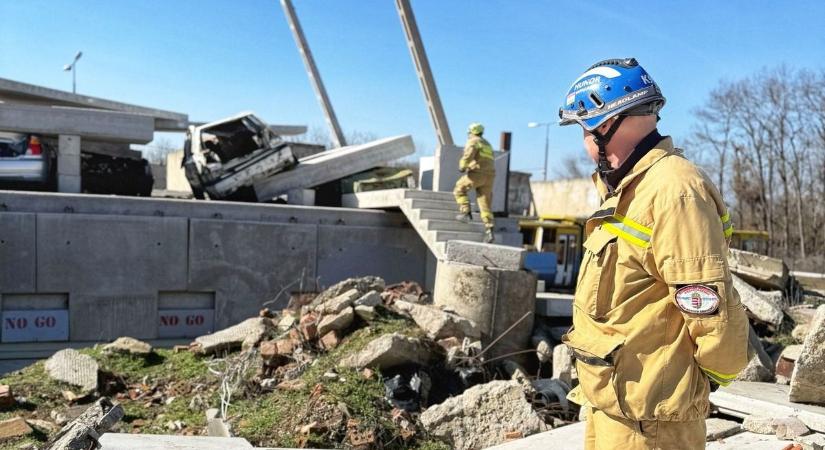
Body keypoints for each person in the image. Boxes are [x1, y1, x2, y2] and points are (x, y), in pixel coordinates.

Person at [557, 58, 749, 449]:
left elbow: (708, 306)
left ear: (606, 125)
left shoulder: (675, 191)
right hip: (614, 401)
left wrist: (707, 379)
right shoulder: (631, 189)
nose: (584, 143)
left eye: (584, 130)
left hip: (652, 421)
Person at [453, 122, 495, 243]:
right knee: (484, 203)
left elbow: (468, 155)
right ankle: (489, 230)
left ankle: (466, 213)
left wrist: (462, 166)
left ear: (472, 132)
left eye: (469, 132)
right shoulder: (487, 144)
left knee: (459, 189)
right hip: (490, 177)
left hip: (477, 174)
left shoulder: (473, 141)